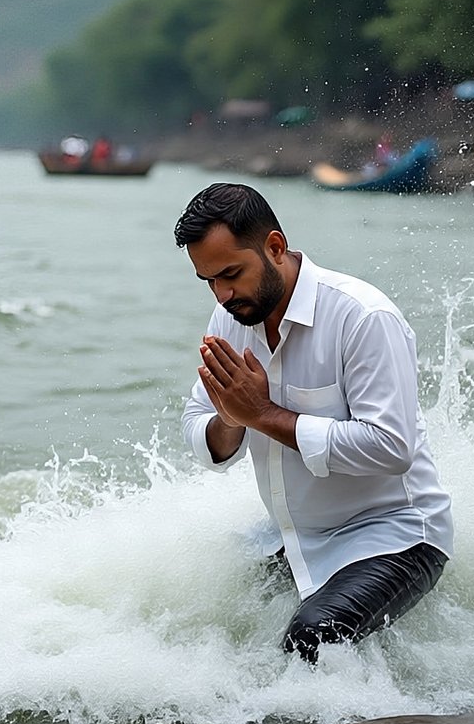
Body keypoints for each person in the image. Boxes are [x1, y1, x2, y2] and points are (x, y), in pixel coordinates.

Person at [174, 182, 453, 663]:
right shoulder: (231, 318)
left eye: (231, 274)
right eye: (209, 281)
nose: (222, 295)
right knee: (197, 613)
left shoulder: (363, 317)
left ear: (275, 247)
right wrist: (232, 418)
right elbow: (201, 429)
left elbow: (390, 446)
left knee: (309, 639)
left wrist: (263, 415)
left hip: (396, 536)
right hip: (293, 537)